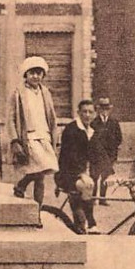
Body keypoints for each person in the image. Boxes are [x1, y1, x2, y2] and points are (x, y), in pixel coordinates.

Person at [7, 56, 59, 209]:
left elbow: (52, 116)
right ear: (26, 74)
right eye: (32, 73)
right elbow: (11, 118)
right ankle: (22, 186)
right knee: (42, 168)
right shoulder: (18, 94)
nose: (35, 76)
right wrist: (15, 140)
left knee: (42, 174)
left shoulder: (46, 93)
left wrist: (55, 138)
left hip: (44, 135)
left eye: (39, 73)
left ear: (43, 75)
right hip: (28, 137)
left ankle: (36, 209)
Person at [56, 99, 99, 234]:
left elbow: (99, 153)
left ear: (94, 114)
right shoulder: (72, 130)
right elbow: (70, 156)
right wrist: (82, 174)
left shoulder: (92, 130)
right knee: (86, 186)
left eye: (90, 112)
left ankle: (83, 222)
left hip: (82, 173)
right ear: (78, 113)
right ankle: (90, 222)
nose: (87, 115)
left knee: (90, 185)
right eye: (84, 112)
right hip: (67, 173)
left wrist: (108, 172)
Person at [90, 95, 123, 205]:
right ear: (98, 108)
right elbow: (91, 139)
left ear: (110, 109)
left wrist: (112, 149)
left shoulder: (114, 122)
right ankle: (93, 198)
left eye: (107, 108)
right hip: (96, 155)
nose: (104, 110)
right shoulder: (93, 123)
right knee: (94, 176)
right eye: (102, 108)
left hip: (109, 155)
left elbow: (119, 138)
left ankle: (103, 199)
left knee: (105, 176)